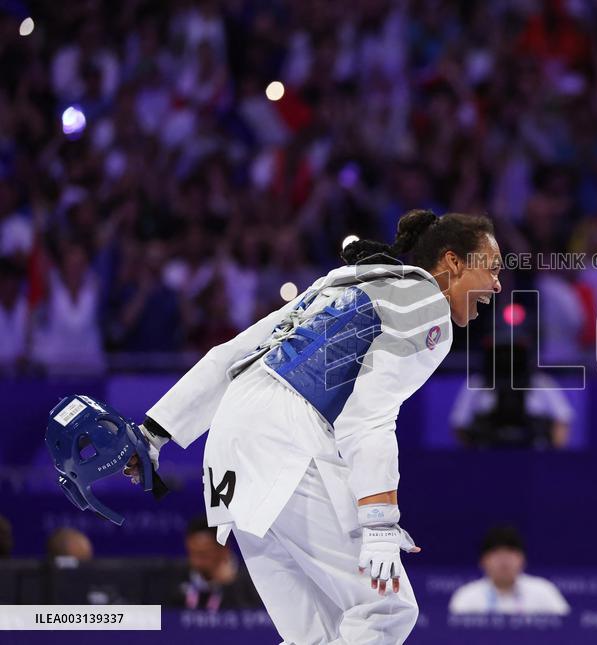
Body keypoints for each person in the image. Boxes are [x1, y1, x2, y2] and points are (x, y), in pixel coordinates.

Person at [124, 210, 502, 644]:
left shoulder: (346, 281)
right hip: (282, 439)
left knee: (317, 635)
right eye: (490, 268)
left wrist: (156, 430)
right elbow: (369, 417)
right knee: (386, 608)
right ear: (452, 262)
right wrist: (378, 523)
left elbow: (233, 354)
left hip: (230, 449)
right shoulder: (424, 303)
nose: (497, 284)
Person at [448, 525, 569, 615]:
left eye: (510, 552)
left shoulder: (543, 591)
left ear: (523, 559)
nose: (504, 560)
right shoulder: (467, 596)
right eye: (496, 553)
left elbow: (566, 633)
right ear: (482, 561)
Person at [168, 516, 261, 611]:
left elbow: (255, 621)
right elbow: (159, 618)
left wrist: (229, 586)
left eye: (203, 554)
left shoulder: (250, 582)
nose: (197, 562)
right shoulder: (173, 578)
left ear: (224, 550)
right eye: (192, 553)